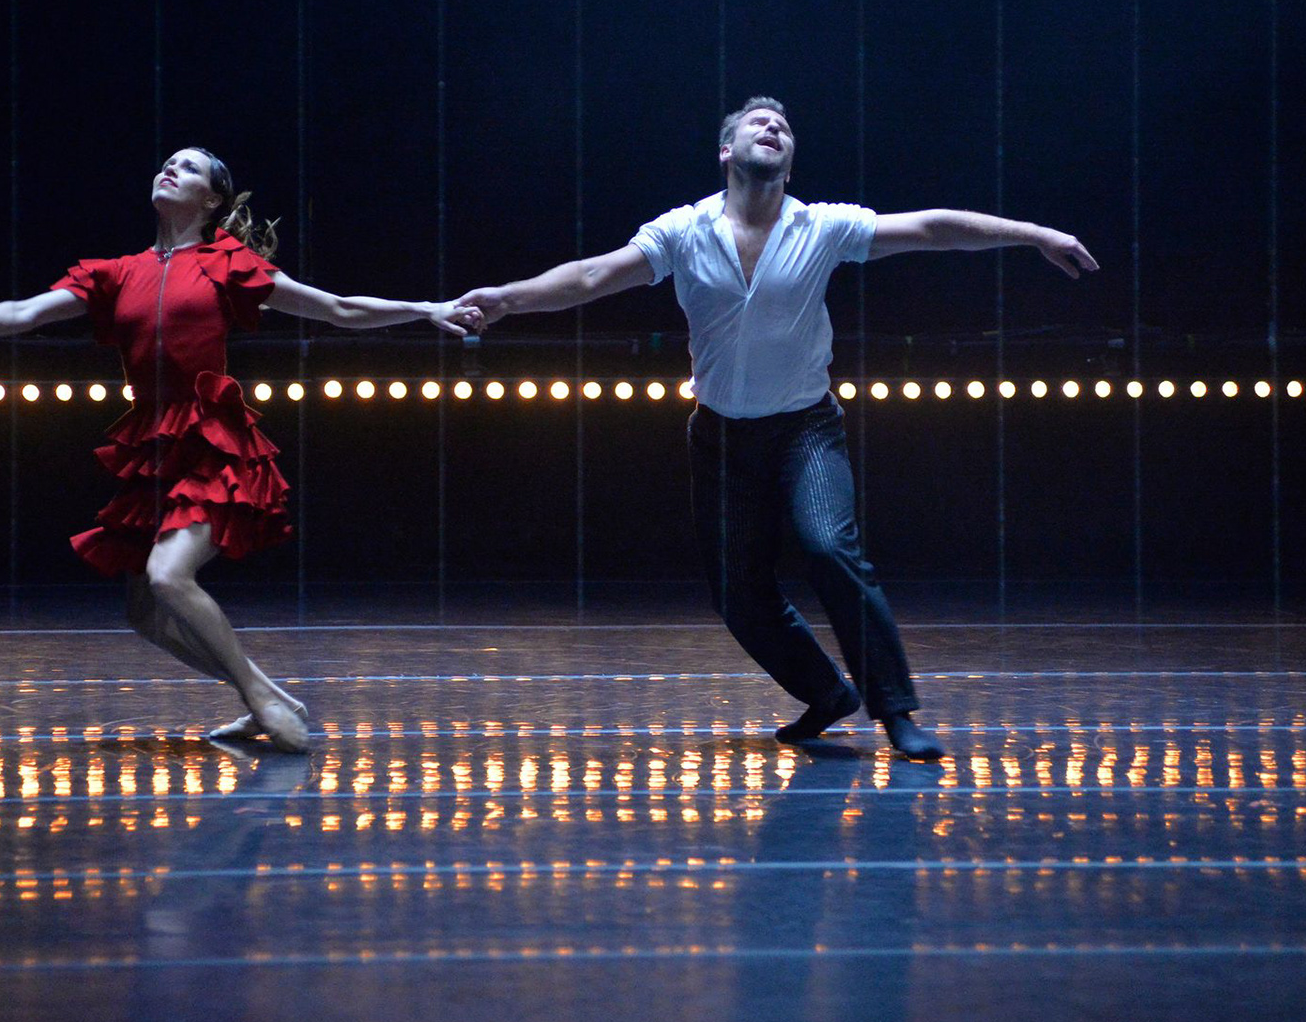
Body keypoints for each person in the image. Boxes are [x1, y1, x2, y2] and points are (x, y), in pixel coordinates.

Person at [453, 97, 1098, 760]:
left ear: (788, 164)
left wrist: (1034, 234)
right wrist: (508, 298)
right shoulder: (683, 230)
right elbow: (591, 276)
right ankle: (826, 692)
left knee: (827, 548)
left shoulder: (822, 226)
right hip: (721, 439)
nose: (775, 129)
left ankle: (896, 709)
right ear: (727, 153)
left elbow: (933, 229)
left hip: (805, 432)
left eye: (785, 129)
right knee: (738, 595)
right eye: (759, 125)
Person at [0, 147, 480, 752]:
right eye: (165, 162)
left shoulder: (226, 262)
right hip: (152, 450)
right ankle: (270, 696)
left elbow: (336, 308)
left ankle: (264, 702)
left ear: (211, 201)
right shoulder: (116, 272)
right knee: (145, 614)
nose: (168, 168)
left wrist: (427, 308)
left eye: (188, 167)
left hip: (213, 443)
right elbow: (25, 312)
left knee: (166, 577)